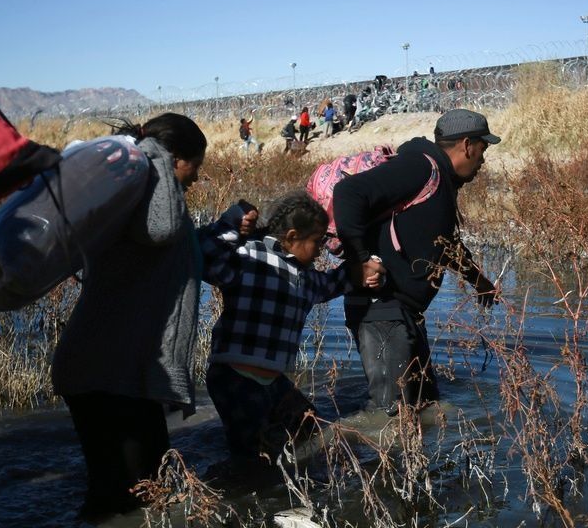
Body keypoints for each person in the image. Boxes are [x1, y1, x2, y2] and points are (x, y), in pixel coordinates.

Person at [50, 112, 258, 522]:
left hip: (124, 373)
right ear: (175, 158)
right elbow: (163, 231)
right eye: (194, 167)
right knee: (117, 496)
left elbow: (179, 250)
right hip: (103, 373)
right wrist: (156, 156)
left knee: (149, 486)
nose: (196, 179)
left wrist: (228, 225)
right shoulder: (142, 193)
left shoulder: (142, 201)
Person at [332, 108, 500, 415]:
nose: (483, 160)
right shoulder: (419, 166)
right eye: (482, 150)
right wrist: (360, 260)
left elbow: (443, 243)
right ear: (467, 145)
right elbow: (347, 192)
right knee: (391, 421)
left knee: (425, 406)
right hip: (380, 310)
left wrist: (479, 281)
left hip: (404, 312)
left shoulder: (441, 180)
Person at [199, 191, 384, 467]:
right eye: (317, 241)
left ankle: (294, 480)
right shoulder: (250, 256)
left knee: (310, 429)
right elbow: (204, 253)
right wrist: (231, 223)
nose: (321, 248)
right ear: (293, 236)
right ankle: (237, 494)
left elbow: (330, 284)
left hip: (271, 381)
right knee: (252, 458)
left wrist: (360, 272)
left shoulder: (305, 276)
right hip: (235, 378)